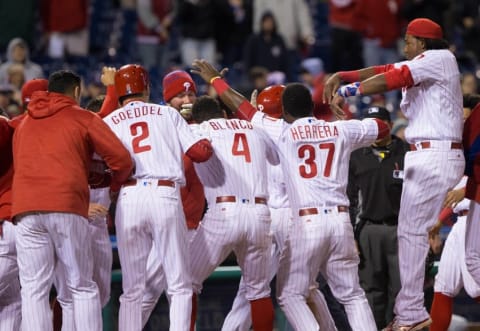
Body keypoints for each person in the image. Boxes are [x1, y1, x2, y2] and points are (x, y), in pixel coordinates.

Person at [191, 58, 388, 331]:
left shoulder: (281, 131)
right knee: (352, 295)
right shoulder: (338, 129)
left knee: (289, 293)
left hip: (303, 222)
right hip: (340, 222)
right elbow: (382, 127)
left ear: (284, 110)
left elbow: (242, 108)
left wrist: (214, 79)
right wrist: (345, 107)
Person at [323, 18, 465, 331]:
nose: (405, 46)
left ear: (423, 43)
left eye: (409, 40)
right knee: (414, 234)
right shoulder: (429, 61)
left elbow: (394, 76)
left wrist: (347, 90)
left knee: (412, 234)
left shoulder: (439, 58)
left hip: (435, 152)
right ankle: (409, 312)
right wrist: (343, 74)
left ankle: (411, 313)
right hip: (431, 153)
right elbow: (387, 69)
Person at [11, 70, 133, 331]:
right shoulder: (81, 116)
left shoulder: (23, 123)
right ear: (77, 92)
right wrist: (113, 182)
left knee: (33, 289)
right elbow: (122, 160)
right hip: (66, 204)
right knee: (81, 285)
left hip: (24, 209)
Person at [102, 64, 212, 331]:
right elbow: (200, 153)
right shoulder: (166, 114)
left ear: (119, 92)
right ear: (148, 88)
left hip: (129, 198)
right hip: (164, 195)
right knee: (179, 285)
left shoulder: (109, 121)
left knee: (132, 289)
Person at [221, 85, 337, 331]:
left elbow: (249, 115)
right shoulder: (290, 130)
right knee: (304, 287)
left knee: (250, 290)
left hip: (265, 215)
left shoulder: (254, 129)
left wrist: (251, 111)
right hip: (291, 217)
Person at [187, 95, 279, 331]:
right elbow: (276, 158)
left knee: (185, 284)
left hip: (224, 212)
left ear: (196, 118)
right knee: (258, 291)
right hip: (260, 213)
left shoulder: (199, 129)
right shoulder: (255, 128)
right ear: (224, 113)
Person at [347, 106, 409, 329]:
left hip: (401, 230)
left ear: (390, 125)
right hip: (368, 230)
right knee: (371, 290)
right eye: (371, 125)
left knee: (402, 290)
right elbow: (350, 199)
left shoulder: (407, 152)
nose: (375, 129)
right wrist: (350, 235)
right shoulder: (355, 156)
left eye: (379, 124)